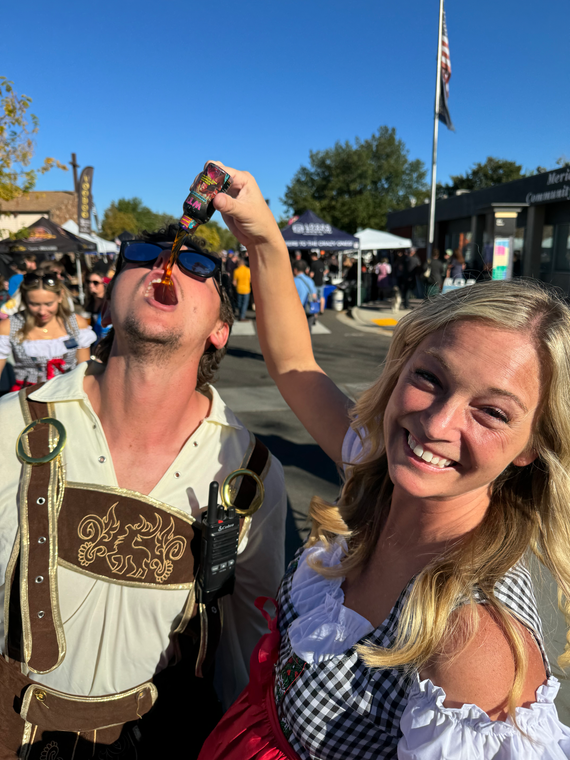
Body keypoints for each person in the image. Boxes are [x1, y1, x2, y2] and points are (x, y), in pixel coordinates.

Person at [198, 163, 570, 759]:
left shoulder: (474, 638)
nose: (438, 424)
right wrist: (265, 234)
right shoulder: (376, 474)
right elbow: (296, 365)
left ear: (531, 447)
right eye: (430, 378)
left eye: (492, 413)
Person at [0, 225, 287, 759]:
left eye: (200, 267)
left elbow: (253, 640)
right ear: (108, 299)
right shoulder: (7, 429)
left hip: (162, 741)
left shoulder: (250, 472)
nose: (168, 264)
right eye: (142, 255)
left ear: (221, 330)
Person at [0, 271, 94, 391]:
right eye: (34, 304)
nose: (42, 312)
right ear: (24, 299)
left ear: (60, 296)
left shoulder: (76, 323)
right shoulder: (9, 326)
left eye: (49, 304)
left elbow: (84, 371)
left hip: (68, 393)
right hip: (27, 396)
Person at [293, 260, 318, 328]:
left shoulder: (293, 281)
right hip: (309, 309)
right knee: (308, 332)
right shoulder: (310, 280)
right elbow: (314, 296)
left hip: (297, 311)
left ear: (295, 270)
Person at [233, 256, 252, 321]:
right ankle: (242, 316)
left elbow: (234, 282)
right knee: (245, 304)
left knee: (239, 303)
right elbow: (250, 280)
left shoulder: (236, 271)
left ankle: (240, 315)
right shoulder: (248, 270)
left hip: (239, 289)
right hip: (246, 289)